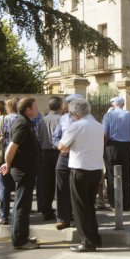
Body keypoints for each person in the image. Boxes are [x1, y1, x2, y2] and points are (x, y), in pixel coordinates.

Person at [58, 98, 104, 252]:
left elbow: (62, 146)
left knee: (80, 208)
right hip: (96, 169)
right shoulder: (98, 125)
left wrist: (70, 149)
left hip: (80, 169)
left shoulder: (77, 126)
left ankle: (87, 241)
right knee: (90, 205)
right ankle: (95, 238)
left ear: (75, 113)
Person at [0, 97, 40, 250]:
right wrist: (8, 164)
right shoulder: (22, 123)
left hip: (26, 169)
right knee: (22, 206)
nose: (37, 109)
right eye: (35, 107)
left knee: (22, 204)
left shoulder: (24, 121)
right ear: (28, 109)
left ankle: (22, 236)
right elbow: (11, 148)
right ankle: (20, 240)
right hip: (23, 170)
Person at [52, 94, 83, 230]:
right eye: (69, 103)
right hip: (64, 156)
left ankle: (77, 218)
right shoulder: (63, 119)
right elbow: (55, 136)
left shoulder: (86, 120)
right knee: (61, 187)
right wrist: (61, 147)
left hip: (79, 156)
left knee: (78, 188)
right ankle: (62, 218)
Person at [102, 96, 130, 211]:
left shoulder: (108, 115)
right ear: (122, 104)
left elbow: (105, 134)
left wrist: (104, 147)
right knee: (127, 175)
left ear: (114, 104)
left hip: (112, 146)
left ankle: (114, 204)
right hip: (127, 146)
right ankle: (127, 203)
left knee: (111, 175)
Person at [0, 97, 19, 225]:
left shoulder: (1, 120)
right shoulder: (23, 119)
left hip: (3, 157)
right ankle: (20, 215)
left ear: (7, 108)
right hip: (20, 156)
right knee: (20, 187)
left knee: (4, 187)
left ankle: (4, 216)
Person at [37, 96, 63, 221]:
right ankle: (61, 211)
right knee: (60, 182)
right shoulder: (62, 119)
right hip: (58, 152)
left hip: (44, 153)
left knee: (46, 183)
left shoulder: (42, 120)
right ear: (60, 106)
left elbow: (39, 136)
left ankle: (46, 210)